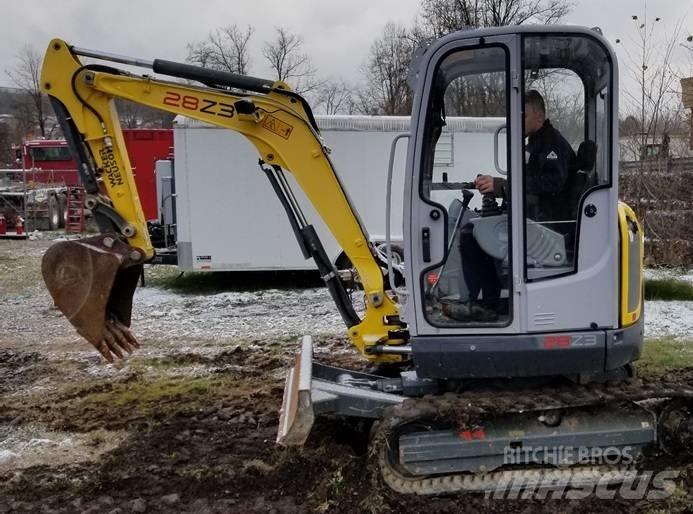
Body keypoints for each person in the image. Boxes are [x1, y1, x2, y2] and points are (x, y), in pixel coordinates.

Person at [447, 90, 577, 322]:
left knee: (471, 234)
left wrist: (504, 186)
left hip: (546, 226)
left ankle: (485, 304)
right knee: (476, 228)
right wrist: (499, 188)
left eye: (523, 117)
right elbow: (527, 183)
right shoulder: (535, 144)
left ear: (539, 117)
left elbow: (551, 184)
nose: (518, 122)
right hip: (533, 218)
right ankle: (486, 298)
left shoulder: (551, 145)